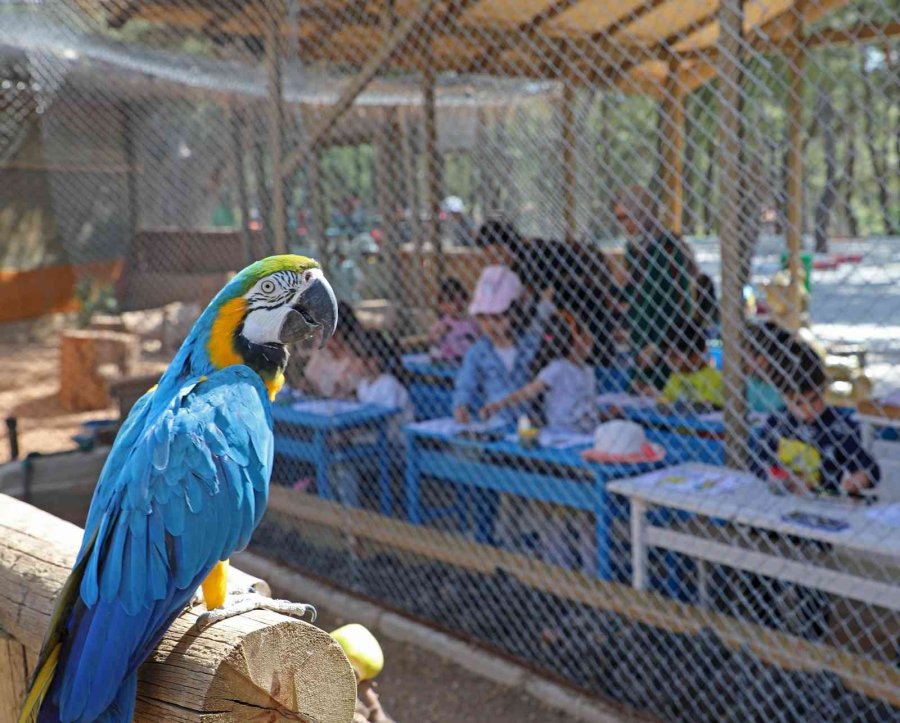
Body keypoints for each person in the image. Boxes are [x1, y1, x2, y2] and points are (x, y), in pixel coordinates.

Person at [755, 345, 880, 496]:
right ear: (785, 399)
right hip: (780, 499)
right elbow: (757, 462)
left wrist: (861, 477)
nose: (808, 409)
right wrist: (785, 479)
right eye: (798, 403)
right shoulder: (778, 422)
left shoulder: (839, 425)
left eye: (814, 399)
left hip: (824, 501)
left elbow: (869, 467)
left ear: (824, 389)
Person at [615, 186, 695, 394]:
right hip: (639, 336)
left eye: (627, 217)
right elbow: (634, 294)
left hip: (666, 341)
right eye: (619, 218)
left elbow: (681, 301)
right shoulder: (633, 249)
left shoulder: (667, 248)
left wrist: (660, 345)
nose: (624, 225)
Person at [480, 311, 597, 434]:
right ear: (571, 341)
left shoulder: (588, 370)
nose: (591, 341)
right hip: (563, 431)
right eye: (585, 338)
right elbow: (528, 391)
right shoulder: (558, 368)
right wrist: (498, 405)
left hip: (588, 430)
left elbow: (587, 402)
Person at [453, 265, 539, 424]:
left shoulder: (533, 345)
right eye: (483, 319)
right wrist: (461, 406)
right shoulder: (477, 352)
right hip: (497, 422)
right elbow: (465, 383)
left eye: (498, 318)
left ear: (516, 314)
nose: (490, 326)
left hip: (532, 424)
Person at [300, 301, 366, 398]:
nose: (320, 338)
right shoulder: (321, 354)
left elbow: (343, 393)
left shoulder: (355, 362)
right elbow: (305, 382)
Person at [659, 322, 724, 409]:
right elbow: (664, 399)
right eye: (667, 355)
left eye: (674, 356)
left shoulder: (716, 378)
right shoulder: (675, 376)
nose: (669, 361)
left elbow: (711, 406)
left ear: (696, 355)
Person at [428, 277, 481, 362]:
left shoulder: (471, 322)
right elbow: (431, 339)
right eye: (452, 301)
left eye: (462, 299)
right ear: (442, 304)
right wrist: (439, 334)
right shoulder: (442, 323)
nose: (457, 305)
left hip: (468, 359)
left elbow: (479, 339)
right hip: (446, 360)